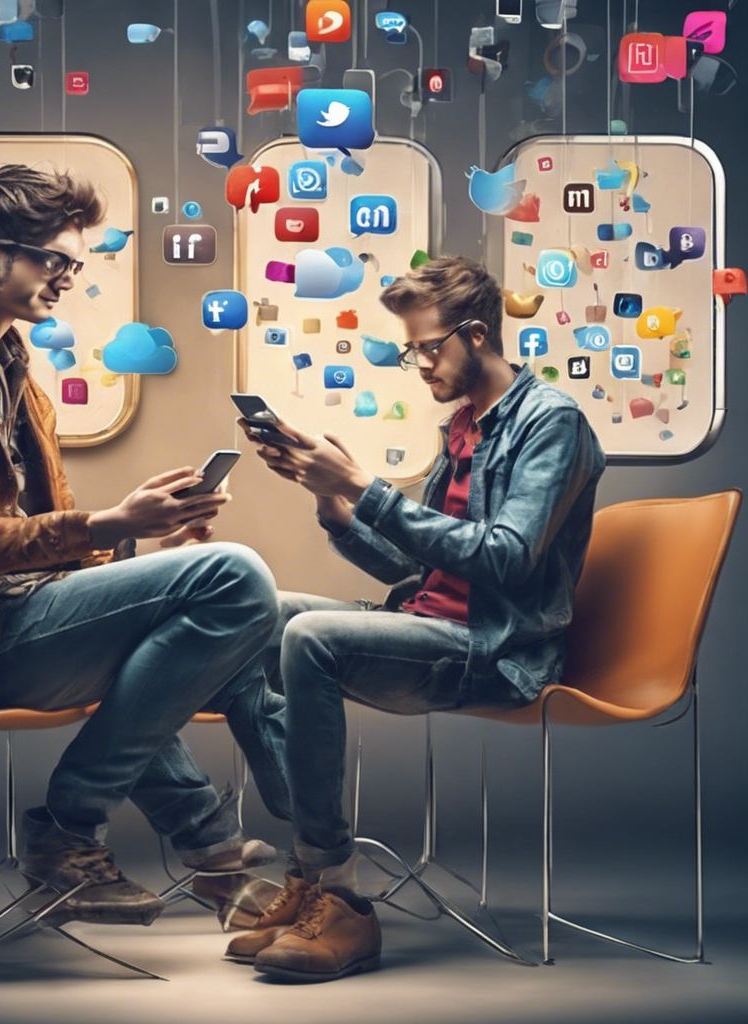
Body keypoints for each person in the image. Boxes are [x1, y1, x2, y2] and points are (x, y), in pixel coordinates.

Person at [0, 164, 289, 929]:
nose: (68, 279)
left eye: (76, 264)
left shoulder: (17, 373)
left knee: (247, 607)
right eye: (54, 261)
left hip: (25, 617)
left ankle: (213, 854)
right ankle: (71, 826)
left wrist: (150, 534)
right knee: (235, 577)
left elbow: (52, 557)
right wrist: (111, 526)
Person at [229, 255, 606, 982]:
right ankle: (311, 871)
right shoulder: (464, 426)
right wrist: (336, 509)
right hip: (437, 630)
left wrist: (368, 490)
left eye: (428, 347)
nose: (419, 364)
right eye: (412, 350)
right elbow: (420, 573)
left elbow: (506, 561)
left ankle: (335, 888)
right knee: (257, 612)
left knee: (308, 636)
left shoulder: (550, 423)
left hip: (495, 653)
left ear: (475, 334)